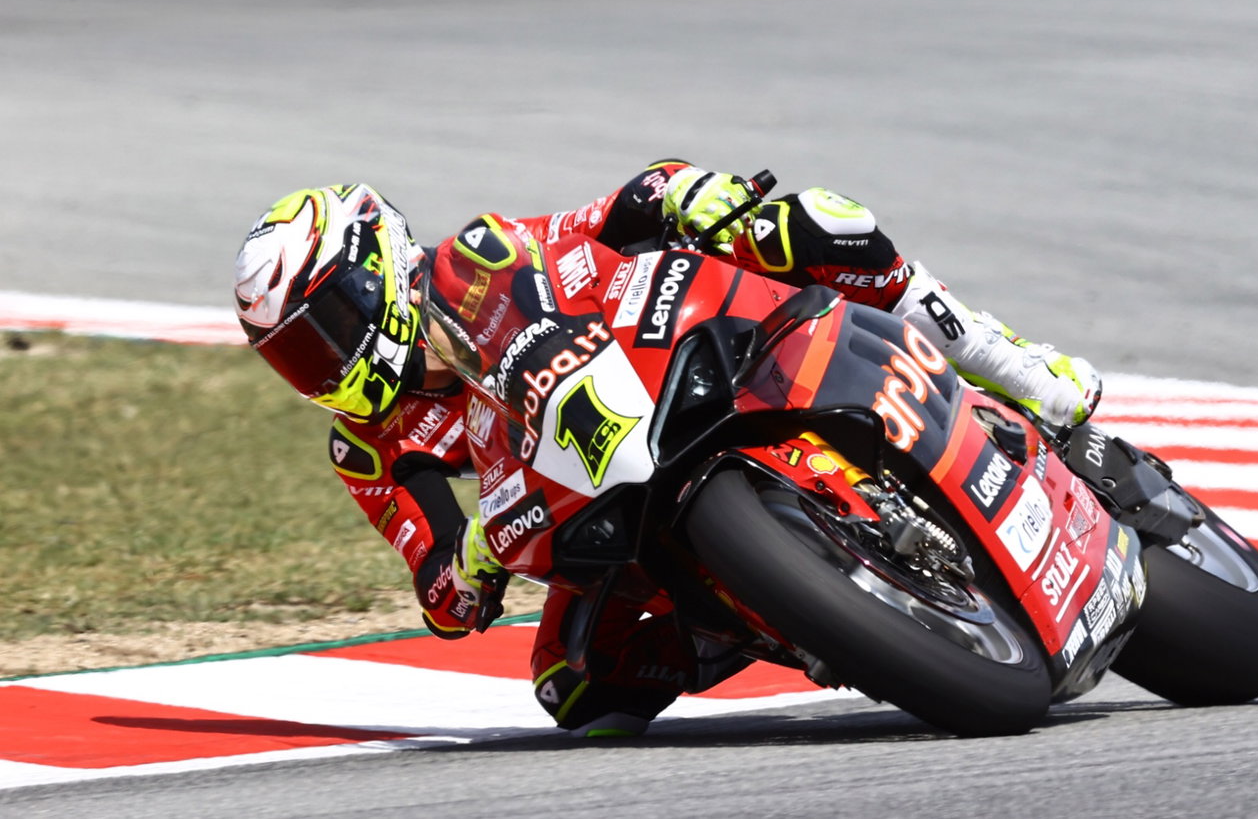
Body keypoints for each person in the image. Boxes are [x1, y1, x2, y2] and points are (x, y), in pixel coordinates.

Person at [232, 161, 1101, 736]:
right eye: (296, 356)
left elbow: (619, 211)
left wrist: (690, 193)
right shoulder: (368, 452)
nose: (327, 361)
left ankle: (1009, 364)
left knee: (813, 222)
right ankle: (769, 621)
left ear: (376, 268)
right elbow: (438, 594)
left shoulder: (480, 256)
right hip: (582, 494)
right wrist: (466, 564)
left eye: (330, 326)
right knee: (573, 686)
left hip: (670, 362)